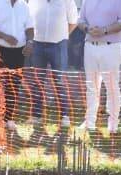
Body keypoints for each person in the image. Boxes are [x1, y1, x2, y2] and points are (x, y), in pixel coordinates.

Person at [78, 0, 121, 134]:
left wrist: (104, 30)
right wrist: (87, 28)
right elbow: (80, 21)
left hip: (111, 47)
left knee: (112, 87)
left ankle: (113, 123)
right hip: (90, 46)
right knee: (91, 86)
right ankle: (89, 121)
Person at [0, 0, 35, 131]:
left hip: (18, 52)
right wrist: (5, 36)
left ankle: (8, 119)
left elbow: (29, 28)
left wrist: (30, 42)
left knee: (14, 85)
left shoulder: (24, 6)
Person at [27, 0, 79, 128]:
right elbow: (28, 21)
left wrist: (63, 36)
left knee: (60, 81)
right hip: (37, 44)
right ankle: (36, 116)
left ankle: (64, 116)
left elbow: (73, 21)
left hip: (58, 45)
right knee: (37, 82)